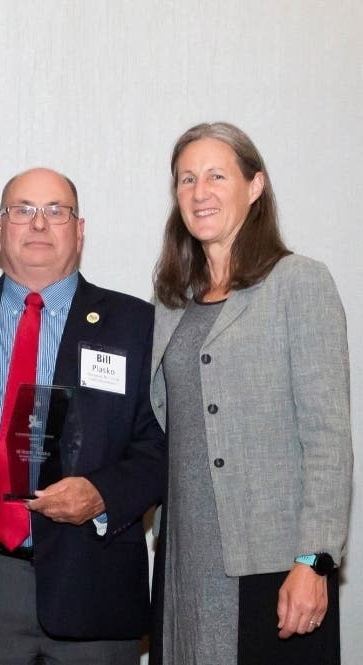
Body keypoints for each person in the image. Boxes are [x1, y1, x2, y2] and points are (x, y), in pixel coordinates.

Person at [149, 122, 352, 665]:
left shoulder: (298, 281)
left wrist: (314, 560)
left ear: (255, 185)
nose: (200, 191)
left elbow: (328, 439)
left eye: (217, 176)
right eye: (186, 179)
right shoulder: (171, 300)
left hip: (274, 561)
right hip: (184, 560)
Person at [0, 168, 167, 665]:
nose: (39, 223)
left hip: (93, 586)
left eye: (56, 211)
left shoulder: (137, 325)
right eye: (22, 210)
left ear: (80, 229)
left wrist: (103, 494)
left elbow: (162, 445)